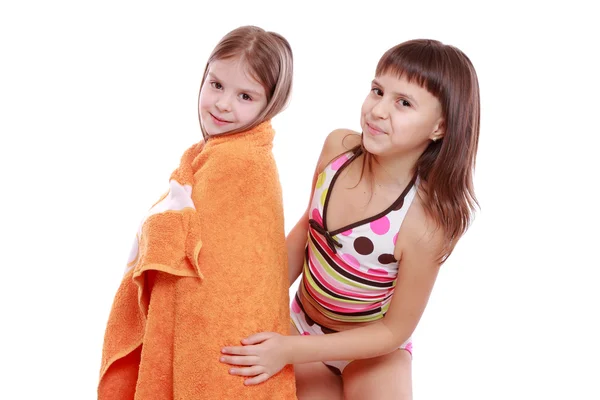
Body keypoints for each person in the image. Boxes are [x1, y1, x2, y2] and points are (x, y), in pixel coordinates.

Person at [220, 38, 481, 399]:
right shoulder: (337, 149)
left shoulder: (425, 222)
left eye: (403, 103)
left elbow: (394, 331)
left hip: (373, 349)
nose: (377, 111)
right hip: (302, 325)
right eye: (377, 91)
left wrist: (288, 351)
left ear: (440, 127)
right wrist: (252, 298)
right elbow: (305, 234)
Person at [98, 25, 297, 399]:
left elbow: (222, 283)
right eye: (216, 84)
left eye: (245, 96)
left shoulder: (242, 164)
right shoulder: (210, 156)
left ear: (271, 105)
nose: (223, 103)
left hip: (220, 347)